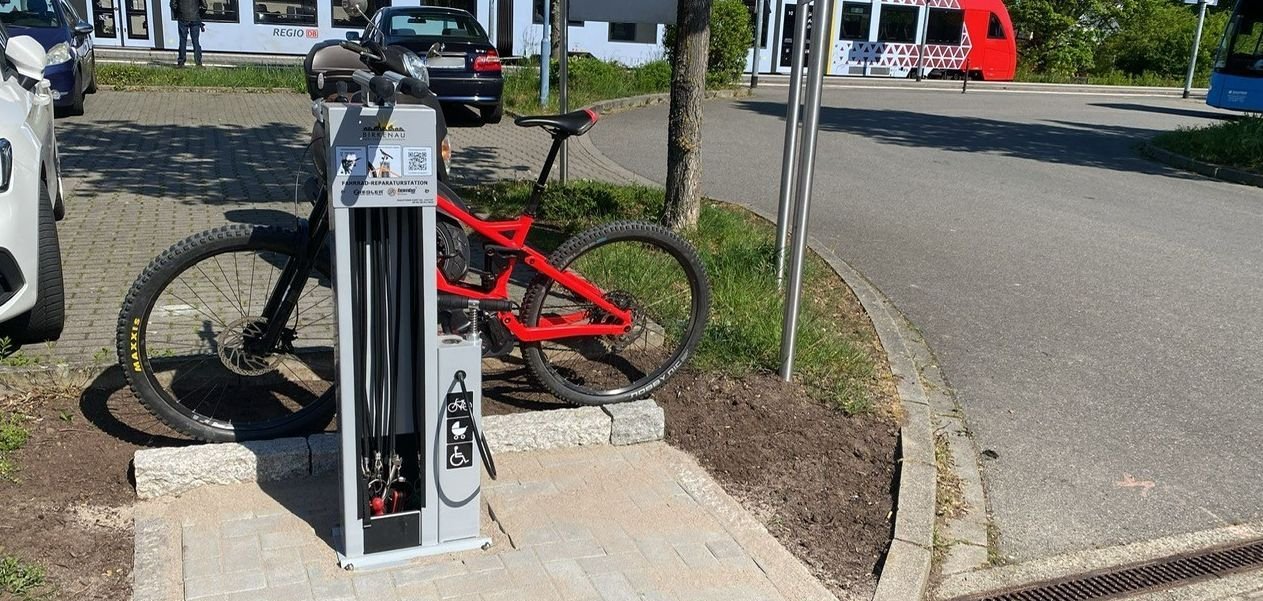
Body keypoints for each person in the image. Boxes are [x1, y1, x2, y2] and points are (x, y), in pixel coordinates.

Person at [170, 0, 207, 67]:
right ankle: (198, 63)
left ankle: (181, 62)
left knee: (183, 40)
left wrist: (177, 14)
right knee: (196, 41)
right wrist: (198, 15)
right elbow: (205, 6)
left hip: (182, 18)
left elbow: (173, 4)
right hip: (195, 18)